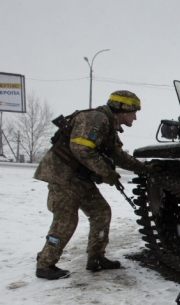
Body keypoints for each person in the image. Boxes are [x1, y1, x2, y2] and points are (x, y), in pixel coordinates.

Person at [34, 90, 148, 280]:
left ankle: (96, 258)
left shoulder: (108, 126)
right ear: (123, 110)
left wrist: (145, 169)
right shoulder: (96, 119)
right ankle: (45, 265)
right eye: (134, 112)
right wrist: (106, 173)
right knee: (66, 220)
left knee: (101, 212)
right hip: (63, 177)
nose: (135, 117)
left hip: (80, 179)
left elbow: (118, 156)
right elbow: (81, 149)